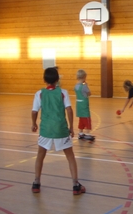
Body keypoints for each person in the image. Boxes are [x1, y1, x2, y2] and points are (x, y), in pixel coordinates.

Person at [31, 67, 85, 195]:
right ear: (57, 80)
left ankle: (36, 183)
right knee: (70, 156)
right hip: (61, 129)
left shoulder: (39, 93)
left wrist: (34, 123)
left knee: (40, 156)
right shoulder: (63, 92)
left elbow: (34, 111)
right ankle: (75, 185)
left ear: (44, 80)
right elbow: (69, 110)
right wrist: (71, 127)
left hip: (46, 129)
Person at [74, 69, 94, 141]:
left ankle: (80, 133)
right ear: (84, 77)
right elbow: (89, 93)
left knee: (81, 119)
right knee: (87, 119)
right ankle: (88, 134)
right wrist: (86, 85)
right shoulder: (84, 86)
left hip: (78, 105)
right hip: (84, 105)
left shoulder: (76, 86)